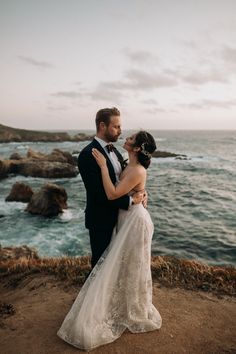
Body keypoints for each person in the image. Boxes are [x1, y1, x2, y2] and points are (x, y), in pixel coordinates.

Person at [57, 129, 162, 351]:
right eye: (121, 130)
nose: (125, 136)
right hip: (125, 218)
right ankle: (116, 304)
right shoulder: (127, 163)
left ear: (136, 148)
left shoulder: (135, 169)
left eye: (131, 138)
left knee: (133, 264)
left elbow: (114, 194)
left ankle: (133, 308)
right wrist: (141, 192)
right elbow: (130, 187)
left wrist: (104, 167)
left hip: (135, 222)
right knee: (121, 262)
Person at [77, 107, 144, 269]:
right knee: (100, 265)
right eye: (116, 126)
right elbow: (98, 195)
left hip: (121, 219)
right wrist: (130, 201)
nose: (120, 131)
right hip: (101, 220)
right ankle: (92, 295)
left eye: (120, 126)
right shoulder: (87, 155)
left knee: (117, 266)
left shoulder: (116, 152)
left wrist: (140, 191)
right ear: (102, 126)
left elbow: (124, 180)